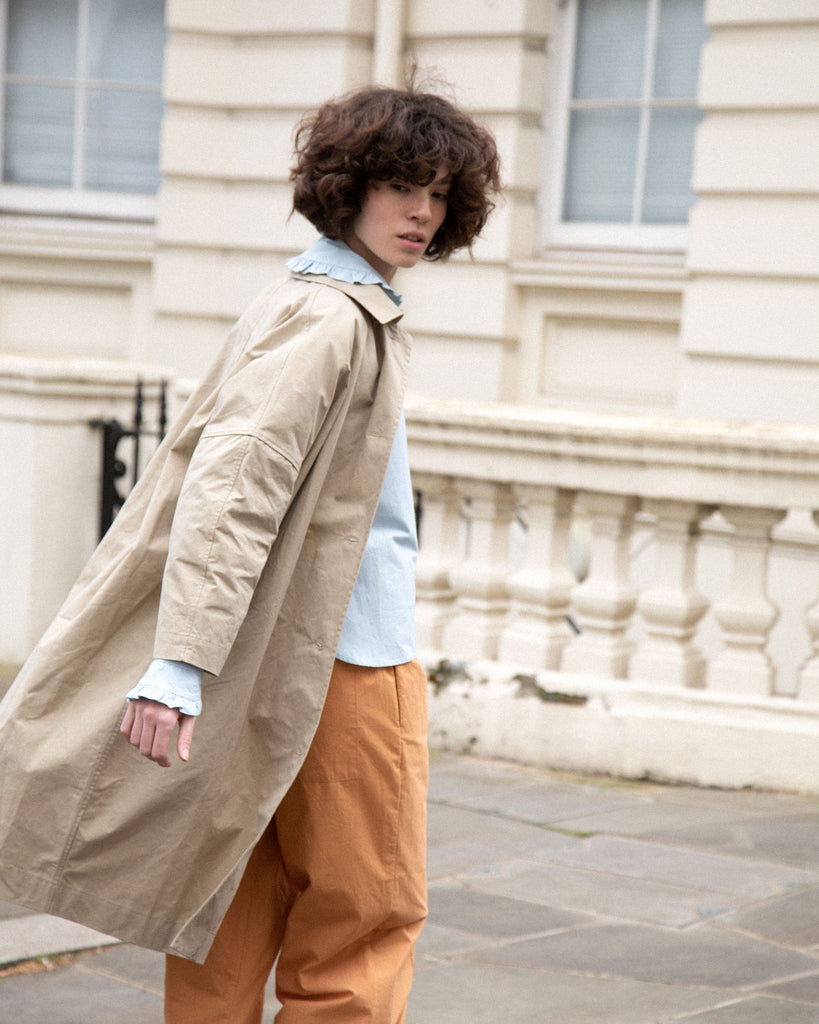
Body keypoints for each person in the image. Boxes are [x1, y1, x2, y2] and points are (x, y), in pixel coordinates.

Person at [0, 84, 500, 1023]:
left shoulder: (307, 303)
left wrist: (191, 661)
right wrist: (178, 664)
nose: (423, 213)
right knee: (366, 913)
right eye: (401, 186)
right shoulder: (332, 319)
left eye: (440, 193)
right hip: (348, 660)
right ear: (348, 187)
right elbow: (234, 488)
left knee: (228, 892)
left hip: (273, 654)